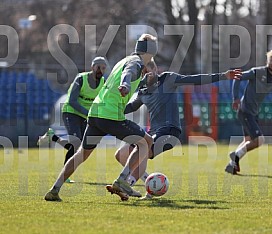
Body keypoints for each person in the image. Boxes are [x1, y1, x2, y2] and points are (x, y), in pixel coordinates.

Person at [44, 34, 157, 202]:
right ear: (151, 50)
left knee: (82, 153)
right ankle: (122, 181)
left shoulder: (126, 60)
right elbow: (128, 73)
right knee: (146, 142)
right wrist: (125, 85)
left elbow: (128, 74)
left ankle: (55, 189)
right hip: (110, 115)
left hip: (96, 113)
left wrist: (139, 81)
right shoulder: (136, 63)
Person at [115, 58, 242, 199]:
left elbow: (195, 79)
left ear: (155, 70)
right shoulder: (142, 90)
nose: (145, 76)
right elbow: (131, 107)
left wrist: (223, 76)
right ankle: (150, 182)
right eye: (142, 74)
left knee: (143, 148)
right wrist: (109, 110)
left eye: (147, 72)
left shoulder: (168, 79)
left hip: (170, 131)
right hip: (153, 133)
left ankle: (128, 185)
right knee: (121, 153)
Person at [225, 49, 272, 175]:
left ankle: (232, 165)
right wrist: (235, 98)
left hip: (254, 112)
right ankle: (235, 155)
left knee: (248, 140)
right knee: (259, 140)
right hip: (245, 110)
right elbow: (237, 77)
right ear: (267, 61)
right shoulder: (257, 72)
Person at [38, 56, 107, 182]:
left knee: (79, 145)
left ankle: (52, 137)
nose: (100, 70)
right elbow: (72, 101)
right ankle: (65, 176)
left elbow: (102, 101)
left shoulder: (103, 82)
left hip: (85, 115)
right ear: (92, 67)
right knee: (76, 143)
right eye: (98, 67)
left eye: (103, 68)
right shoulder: (81, 79)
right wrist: (89, 114)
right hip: (71, 112)